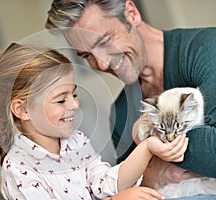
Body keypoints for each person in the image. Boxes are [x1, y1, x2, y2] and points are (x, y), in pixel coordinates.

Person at [45, 0, 216, 196]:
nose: (101, 64)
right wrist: (152, 177)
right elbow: (125, 192)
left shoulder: (206, 51)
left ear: (132, 13)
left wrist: (147, 139)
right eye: (86, 55)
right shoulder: (121, 112)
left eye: (104, 41)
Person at [0, 43, 188, 199]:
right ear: (22, 109)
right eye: (61, 99)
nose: (74, 105)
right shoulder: (18, 168)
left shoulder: (75, 142)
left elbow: (104, 183)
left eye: (74, 94)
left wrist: (148, 148)